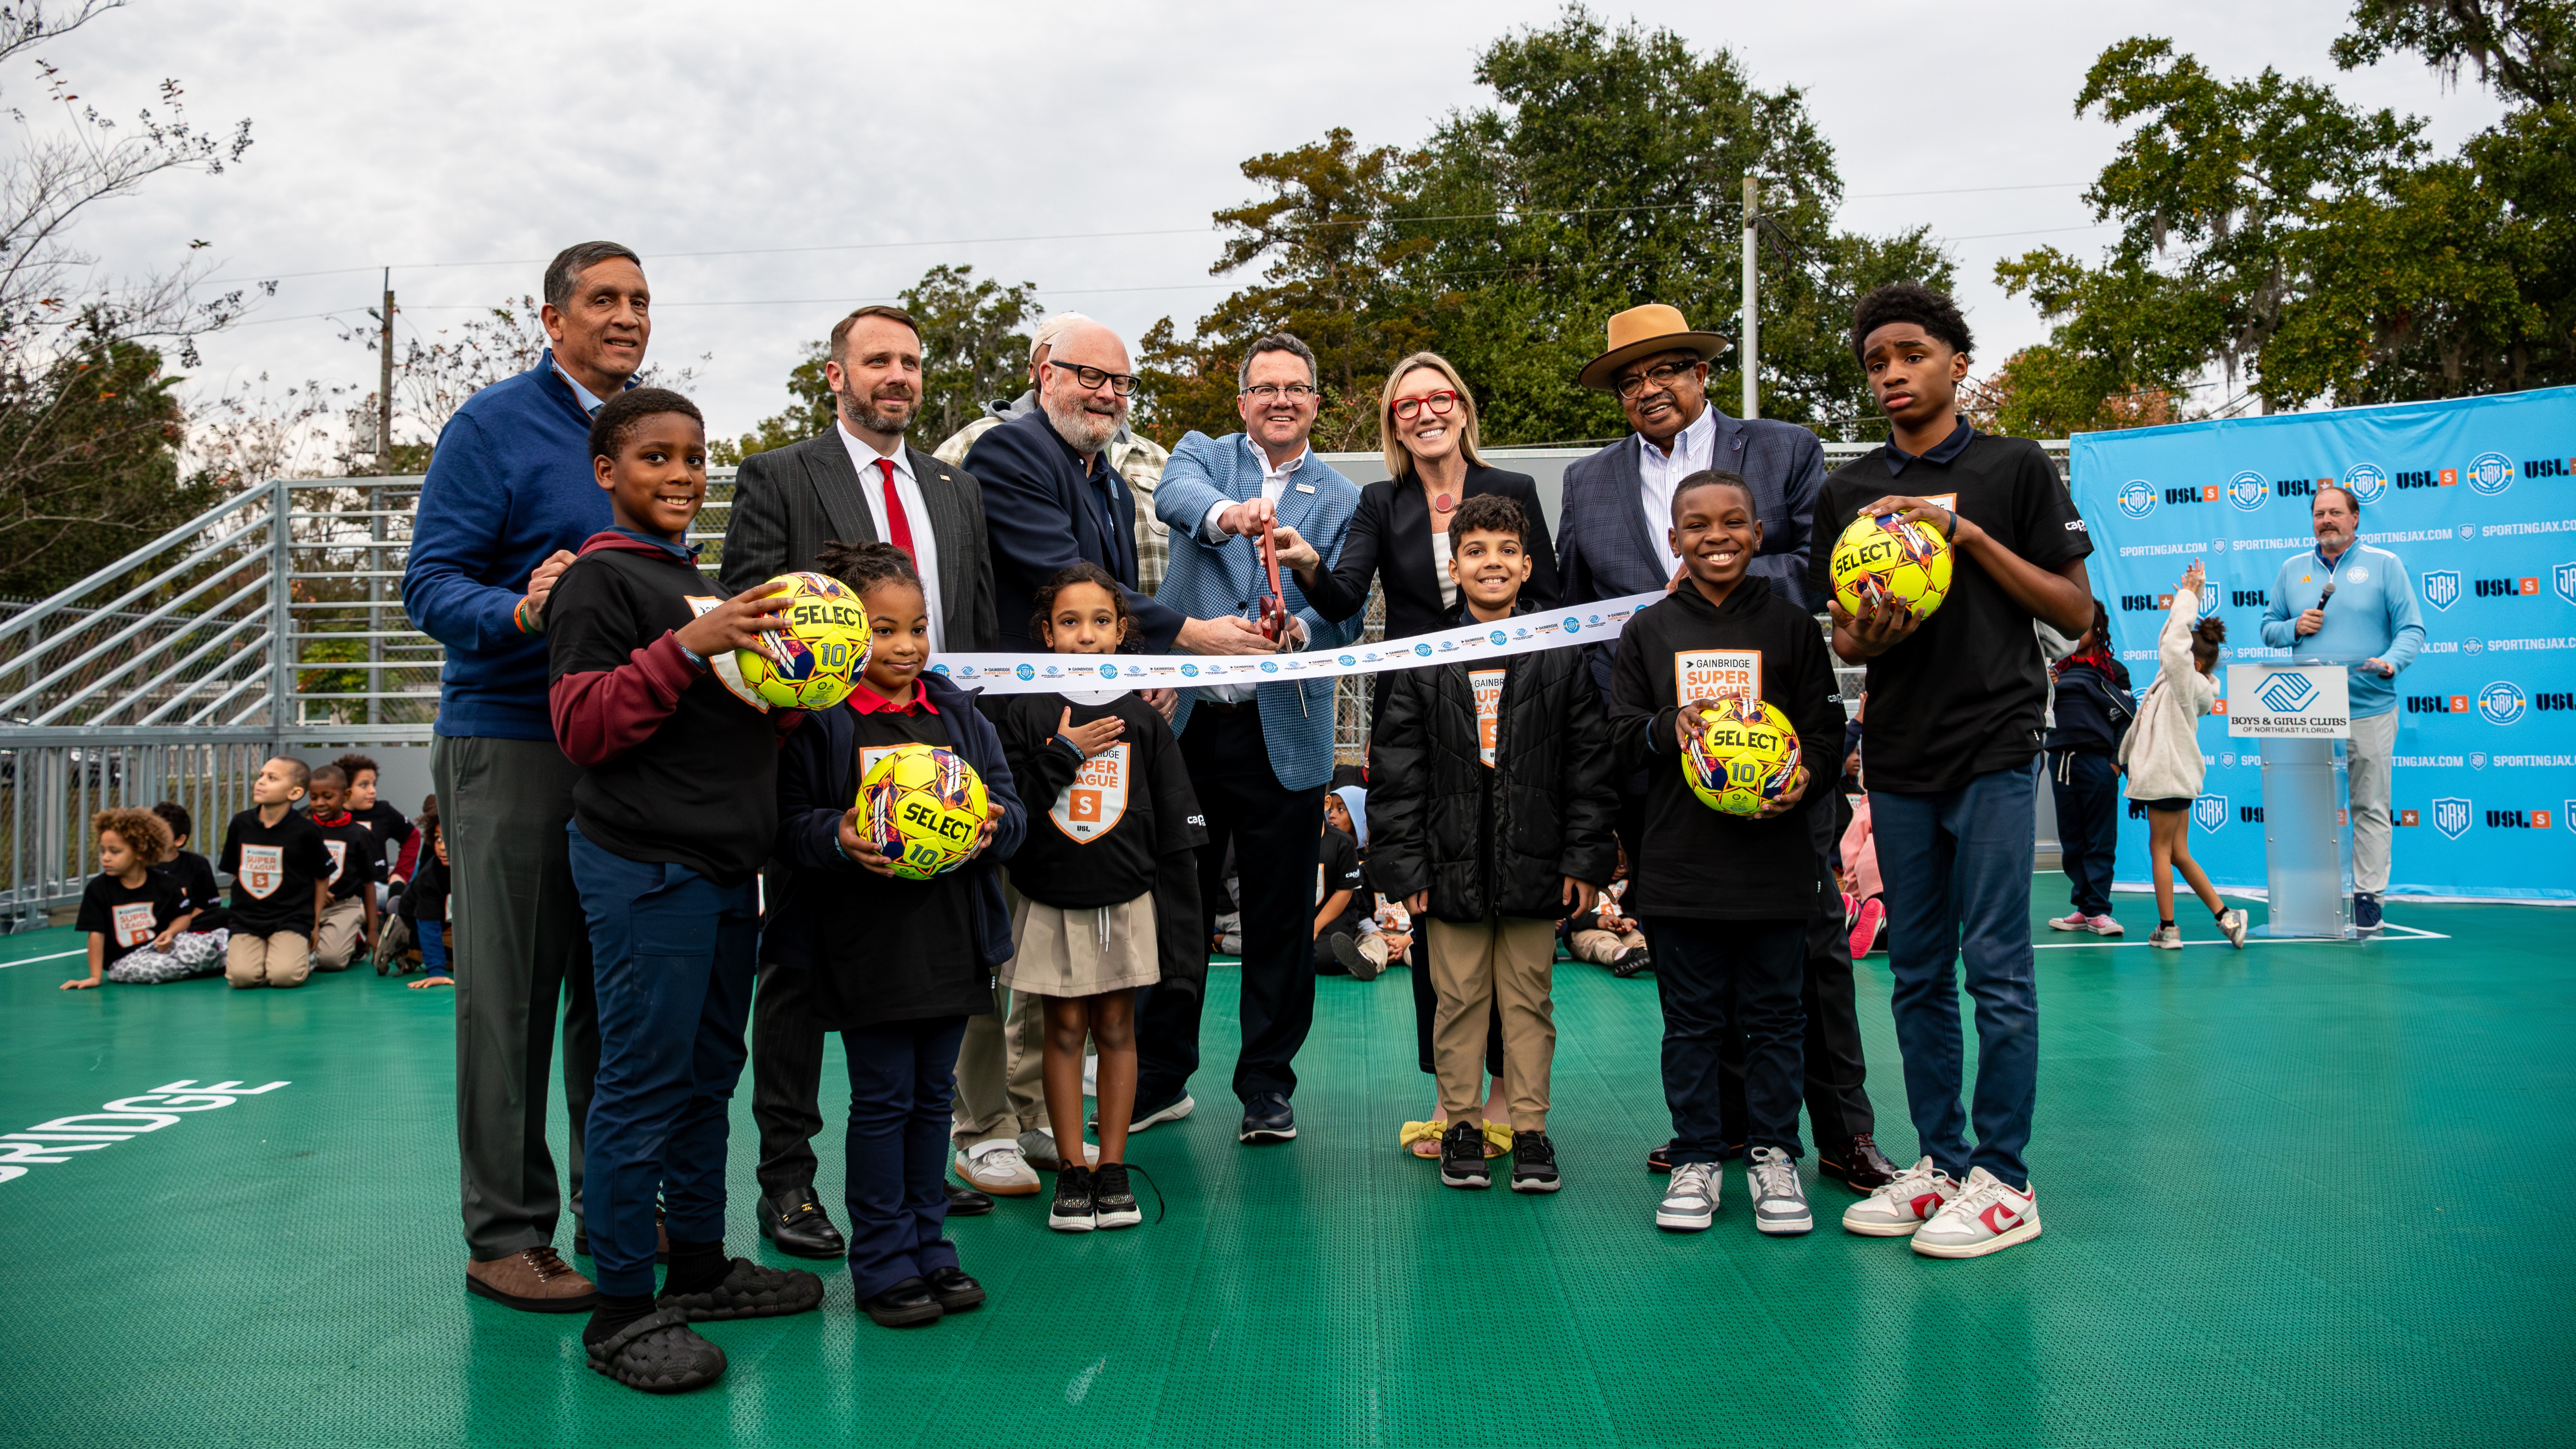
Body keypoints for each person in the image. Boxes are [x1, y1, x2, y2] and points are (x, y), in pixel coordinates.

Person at [1562, 303, 1890, 1196]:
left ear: (1701, 373)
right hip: (1660, 765)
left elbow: (1822, 567)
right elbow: (1573, 608)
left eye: (1664, 368)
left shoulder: (1782, 449)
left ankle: (1839, 1134)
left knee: (1809, 956)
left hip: (1779, 765)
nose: (1647, 388)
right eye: (1628, 379)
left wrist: (1715, 577)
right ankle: (1718, 1133)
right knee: (1694, 973)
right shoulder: (1589, 482)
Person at [545, 387, 824, 1393]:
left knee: (709, 1076)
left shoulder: (696, 587)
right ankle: (621, 1307)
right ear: (607, 472)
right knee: (642, 1084)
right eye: (656, 457)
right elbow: (583, 726)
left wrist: (794, 691)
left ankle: (698, 1267)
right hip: (645, 870)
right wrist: (688, 651)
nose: (681, 475)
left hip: (722, 871)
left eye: (696, 459)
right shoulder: (600, 584)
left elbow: (725, 731)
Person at [1816, 284, 2094, 1260]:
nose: (1891, 374)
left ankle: (2007, 1182)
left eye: (1909, 354)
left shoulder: (2013, 469)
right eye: (1875, 363)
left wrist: (1970, 540)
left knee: (2000, 974)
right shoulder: (1849, 491)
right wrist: (1865, 633)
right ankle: (1940, 1164)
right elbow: (1849, 629)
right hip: (1896, 751)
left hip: (1994, 744)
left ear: (1955, 363)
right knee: (1918, 972)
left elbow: (2075, 613)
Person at [720, 303, 1004, 1255]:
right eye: (877, 360)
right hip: (827, 757)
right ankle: (789, 1185)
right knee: (799, 977)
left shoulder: (955, 490)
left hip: (940, 755)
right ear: (835, 375)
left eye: (912, 362)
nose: (898, 376)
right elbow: (750, 621)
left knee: (936, 971)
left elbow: (973, 626)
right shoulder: (779, 477)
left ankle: (923, 1171)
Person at [403, 240, 646, 1310]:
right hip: (513, 738)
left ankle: (615, 1217)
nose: (627, 316)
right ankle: (505, 1235)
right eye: (603, 299)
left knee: (613, 996)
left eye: (640, 300)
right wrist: (522, 608)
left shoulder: (649, 435)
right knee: (509, 998)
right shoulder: (492, 426)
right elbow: (430, 584)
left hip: (630, 749)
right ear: (550, 318)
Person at [766, 540, 1025, 1328]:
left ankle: (930, 1249)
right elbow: (784, 825)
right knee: (882, 1103)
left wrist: (991, 825)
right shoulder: (821, 721)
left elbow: (1012, 811)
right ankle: (880, 1260)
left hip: (951, 941)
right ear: (847, 633)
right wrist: (834, 835)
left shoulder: (955, 712)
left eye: (916, 628)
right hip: (866, 946)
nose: (905, 646)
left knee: (926, 1103)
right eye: (882, 630)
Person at [1150, 331, 1368, 1146]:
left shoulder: (1343, 495)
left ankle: (1266, 1088)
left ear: (1316, 402)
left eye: (1297, 387)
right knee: (1179, 910)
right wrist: (1228, 514)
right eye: (1265, 387)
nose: (1281, 399)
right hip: (1188, 726)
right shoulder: (1203, 455)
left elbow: (1343, 606)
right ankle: (1160, 1078)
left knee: (1279, 916)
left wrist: (1298, 636)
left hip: (1287, 733)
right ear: (1242, 402)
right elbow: (1176, 497)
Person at [1611, 472, 1843, 1236]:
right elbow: (1615, 736)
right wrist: (1663, 725)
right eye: (1697, 525)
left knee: (1777, 1019)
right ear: (1672, 540)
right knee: (1691, 1024)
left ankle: (1774, 1154)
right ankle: (1698, 1156)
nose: (1716, 535)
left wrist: (1803, 776)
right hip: (1681, 866)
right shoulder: (1647, 632)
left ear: (1757, 534)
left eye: (1733, 522)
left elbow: (1821, 729)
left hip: (1774, 866)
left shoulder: (1789, 627)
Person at [1369, 492, 1617, 1194]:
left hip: (1536, 864)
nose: (1493, 563)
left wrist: (1583, 859)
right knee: (1458, 1000)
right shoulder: (1425, 656)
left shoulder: (1558, 654)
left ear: (1528, 564)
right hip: (1448, 870)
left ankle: (1532, 1131)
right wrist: (1405, 867)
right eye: (1476, 550)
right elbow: (1396, 772)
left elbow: (1588, 767)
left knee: (1530, 1000)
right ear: (1455, 566)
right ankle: (1463, 1127)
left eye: (1508, 551)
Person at [981, 562, 1206, 1233]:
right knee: (1064, 1031)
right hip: (1051, 899)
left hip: (1126, 901)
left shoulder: (1144, 718)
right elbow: (1011, 808)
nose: (1086, 635)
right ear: (1046, 634)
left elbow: (1172, 828)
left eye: (1101, 622)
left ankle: (1112, 1167)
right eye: (1070, 623)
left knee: (1117, 1029)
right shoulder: (1023, 710)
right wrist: (1061, 751)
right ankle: (1072, 1170)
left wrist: (1182, 928)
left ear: (1121, 633)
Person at [1292, 350, 1560, 641]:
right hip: (1411, 683)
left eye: (1440, 399)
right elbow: (1343, 602)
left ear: (1463, 413)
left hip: (1504, 678)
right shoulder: (1379, 502)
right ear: (1396, 428)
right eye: (1408, 406)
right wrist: (1311, 566)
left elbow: (1546, 602)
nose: (1427, 414)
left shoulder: (1515, 490)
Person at [2260, 485, 2423, 935]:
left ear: (2355, 519)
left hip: (2369, 707)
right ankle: (2313, 897)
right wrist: (2295, 626)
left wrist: (2392, 661)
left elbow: (2411, 628)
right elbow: (2268, 629)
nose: (2325, 520)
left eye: (2335, 512)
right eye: (2318, 514)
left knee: (2369, 805)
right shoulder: (2292, 570)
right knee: (2309, 808)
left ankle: (2369, 897)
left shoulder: (2384, 566)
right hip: (2307, 712)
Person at [933, 310, 1175, 593]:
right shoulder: (994, 445)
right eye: (1090, 375)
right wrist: (1192, 632)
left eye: (1120, 382)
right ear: (1044, 375)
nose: (1108, 393)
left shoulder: (1124, 476)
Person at [2122, 563, 2250, 950]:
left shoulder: (2183, 682)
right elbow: (2171, 642)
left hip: (2166, 778)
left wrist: (2189, 596)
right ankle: (2226, 917)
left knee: (2160, 850)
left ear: (2192, 663)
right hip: (2178, 779)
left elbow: (2172, 644)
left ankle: (2168, 929)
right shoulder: (2191, 683)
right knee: (2179, 852)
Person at [2044, 600, 2132, 936]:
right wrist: (2046, 683)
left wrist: (2113, 763)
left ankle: (2099, 910)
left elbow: (2127, 723)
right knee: (2072, 839)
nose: (2072, 634)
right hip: (2061, 761)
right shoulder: (2055, 669)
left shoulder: (2113, 671)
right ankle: (2084, 908)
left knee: (2099, 838)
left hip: (2098, 763)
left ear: (2097, 628)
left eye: (2079, 627)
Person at [62, 808, 219, 987]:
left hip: (163, 947)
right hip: (125, 961)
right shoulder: (98, 889)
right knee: (159, 968)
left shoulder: (166, 883)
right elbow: (96, 935)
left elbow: (182, 917)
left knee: (207, 947)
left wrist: (170, 933)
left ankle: (210, 961)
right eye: (103, 851)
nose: (105, 858)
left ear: (140, 852)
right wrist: (95, 977)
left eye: (115, 852)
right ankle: (206, 966)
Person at [218, 755, 333, 991]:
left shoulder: (307, 831)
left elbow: (322, 877)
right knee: (242, 978)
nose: (260, 782)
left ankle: (299, 955)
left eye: (272, 778)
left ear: (295, 793)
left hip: (291, 918)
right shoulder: (240, 824)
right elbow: (235, 873)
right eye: (261, 776)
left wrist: (314, 924)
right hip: (247, 919)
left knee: (284, 977)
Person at [303, 765, 379, 973]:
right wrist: (315, 892)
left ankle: (357, 937)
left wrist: (373, 931)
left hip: (343, 906)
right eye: (314, 797)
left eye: (328, 797)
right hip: (306, 904)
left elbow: (369, 884)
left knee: (330, 961)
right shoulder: (302, 830)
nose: (320, 803)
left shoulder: (359, 834)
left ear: (345, 795)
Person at [1561, 848, 1651, 978]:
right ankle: (1622, 955)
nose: (1620, 869)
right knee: (1601, 942)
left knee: (1637, 938)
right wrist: (1599, 921)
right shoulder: (1582, 878)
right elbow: (1570, 915)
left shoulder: (1628, 879)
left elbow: (1634, 907)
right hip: (1586, 930)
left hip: (1620, 927)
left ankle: (1646, 955)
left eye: (1623, 864)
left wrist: (1627, 919)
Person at [332, 752, 414, 886]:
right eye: (364, 785)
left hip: (377, 889)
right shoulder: (326, 814)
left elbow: (412, 836)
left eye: (374, 784)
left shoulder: (383, 811)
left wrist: (400, 874)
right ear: (344, 788)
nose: (373, 791)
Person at [401, 809, 455, 989]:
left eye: (448, 839)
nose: (442, 846)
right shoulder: (430, 878)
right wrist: (437, 973)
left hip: (449, 923)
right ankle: (405, 943)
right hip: (417, 920)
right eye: (439, 839)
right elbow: (429, 926)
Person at [150, 800, 223, 920]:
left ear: (179, 840)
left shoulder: (197, 865)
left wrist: (179, 927)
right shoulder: (139, 866)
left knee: (221, 915)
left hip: (190, 927)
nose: (152, 837)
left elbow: (207, 905)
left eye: (160, 834)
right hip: (152, 930)